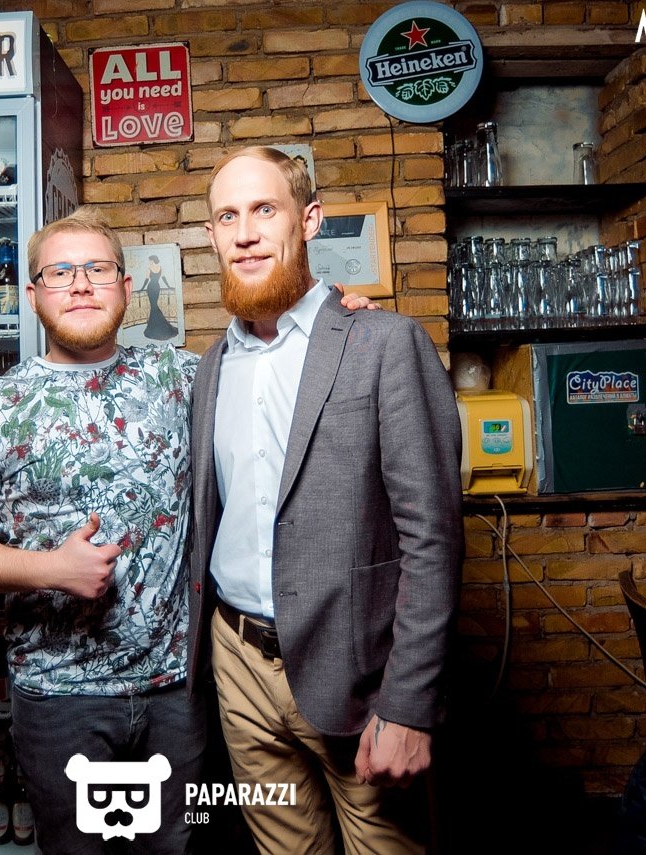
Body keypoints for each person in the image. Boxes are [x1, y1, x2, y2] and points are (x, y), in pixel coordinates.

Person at [185, 146, 463, 855]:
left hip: (357, 672)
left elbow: (432, 537)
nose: (246, 233)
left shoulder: (385, 342)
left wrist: (409, 704)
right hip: (238, 666)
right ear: (212, 236)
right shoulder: (211, 367)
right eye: (227, 217)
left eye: (264, 209)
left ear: (308, 220)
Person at [0, 207, 204, 855]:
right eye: (60, 272)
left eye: (97, 269)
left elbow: (279, 370)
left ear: (126, 288)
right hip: (59, 699)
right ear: (33, 294)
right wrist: (50, 568)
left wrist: (339, 317)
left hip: (175, 691)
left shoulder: (181, 377)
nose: (80, 284)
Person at [142, 254, 179, 341]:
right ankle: (157, 326)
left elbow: (147, 280)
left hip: (151, 287)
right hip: (156, 287)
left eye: (150, 260)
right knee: (154, 306)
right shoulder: (160, 268)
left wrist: (142, 288)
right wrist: (168, 286)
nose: (149, 262)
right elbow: (163, 278)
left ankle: (154, 327)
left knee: (154, 306)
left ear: (152, 260)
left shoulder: (149, 269)